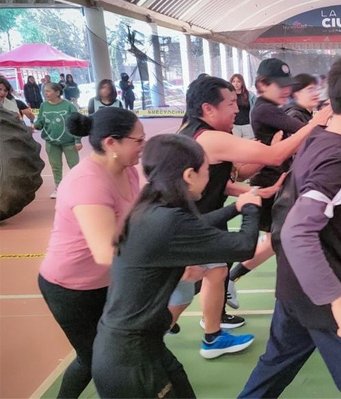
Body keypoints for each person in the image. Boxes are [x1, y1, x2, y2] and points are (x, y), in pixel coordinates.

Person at [238, 54, 341, 399]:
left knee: (273, 369)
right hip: (321, 291)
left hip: (293, 284)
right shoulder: (338, 160)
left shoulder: (319, 139)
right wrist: (337, 300)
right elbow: (297, 231)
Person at [91, 134, 261, 398]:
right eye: (207, 171)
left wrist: (236, 207)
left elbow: (196, 225)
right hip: (131, 359)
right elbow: (244, 247)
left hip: (140, 347)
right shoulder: (166, 219)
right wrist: (252, 208)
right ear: (189, 175)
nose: (210, 177)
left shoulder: (152, 206)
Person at [172, 76, 320, 358]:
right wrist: (315, 123)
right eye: (230, 104)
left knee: (214, 273)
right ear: (208, 108)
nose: (236, 110)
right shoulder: (210, 138)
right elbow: (275, 156)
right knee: (184, 286)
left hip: (198, 220)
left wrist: (260, 190)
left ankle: (210, 336)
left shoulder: (195, 132)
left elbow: (229, 178)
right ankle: (149, 335)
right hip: (189, 223)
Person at [38, 107, 144, 398]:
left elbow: (138, 218)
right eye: (138, 140)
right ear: (111, 143)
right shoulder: (88, 183)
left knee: (123, 351)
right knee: (92, 359)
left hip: (106, 282)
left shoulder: (128, 170)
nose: (143, 146)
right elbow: (106, 253)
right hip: (71, 289)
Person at [226, 61, 332, 312]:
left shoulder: (273, 109)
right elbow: (305, 133)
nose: (286, 90)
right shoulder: (266, 110)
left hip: (277, 182)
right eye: (281, 85)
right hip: (269, 184)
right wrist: (326, 123)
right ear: (262, 85)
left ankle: (227, 279)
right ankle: (222, 281)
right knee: (275, 241)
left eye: (289, 85)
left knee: (278, 240)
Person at [33, 82, 81, 198]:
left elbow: (76, 123)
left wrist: (77, 140)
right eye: (44, 91)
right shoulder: (43, 105)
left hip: (69, 142)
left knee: (74, 166)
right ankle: (58, 187)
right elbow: (40, 121)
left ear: (57, 92)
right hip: (51, 143)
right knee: (55, 166)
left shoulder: (69, 106)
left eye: (48, 91)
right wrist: (35, 125)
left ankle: (78, 187)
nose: (46, 93)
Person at [231, 73, 257, 139]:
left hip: (248, 125)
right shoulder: (229, 96)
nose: (236, 84)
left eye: (238, 81)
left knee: (249, 143)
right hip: (234, 125)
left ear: (242, 83)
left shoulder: (250, 95)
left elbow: (256, 108)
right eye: (234, 81)